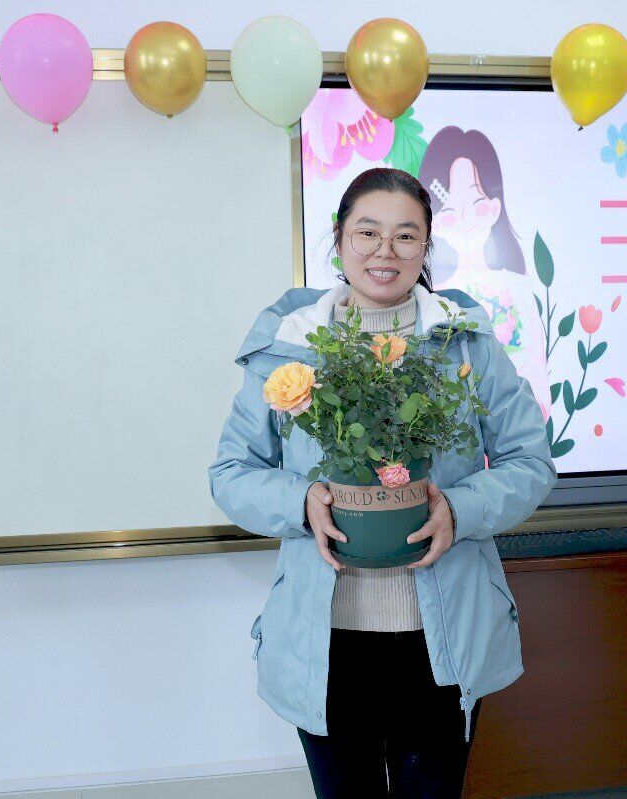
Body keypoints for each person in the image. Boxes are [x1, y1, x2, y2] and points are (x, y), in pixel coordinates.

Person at [209, 166, 555, 799]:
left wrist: (460, 508)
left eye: (406, 235)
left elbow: (530, 460)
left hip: (443, 635)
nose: (384, 251)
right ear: (339, 239)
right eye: (367, 232)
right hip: (326, 640)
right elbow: (231, 474)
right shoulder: (288, 345)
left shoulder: (466, 343)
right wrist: (300, 501)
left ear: (426, 248)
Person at [418, 126, 551, 421]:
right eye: (450, 210)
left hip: (516, 428)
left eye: (477, 204)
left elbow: (537, 374)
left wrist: (524, 421)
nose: (465, 219)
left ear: (495, 206)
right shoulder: (429, 299)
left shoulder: (517, 288)